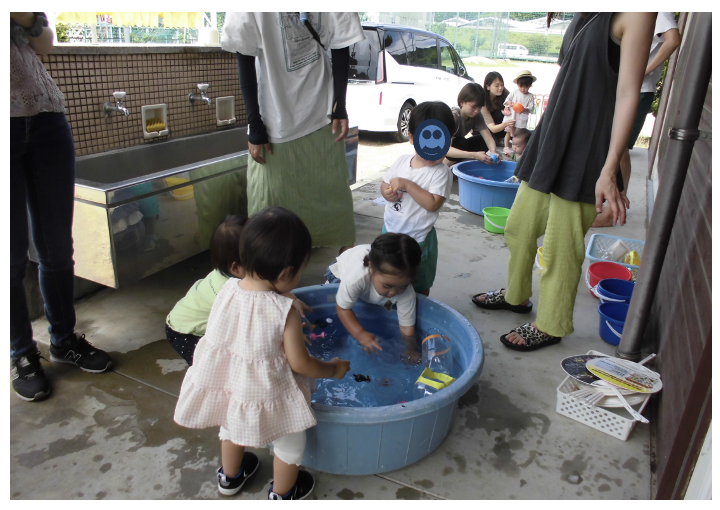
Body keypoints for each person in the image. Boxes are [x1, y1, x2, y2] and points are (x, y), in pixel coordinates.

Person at [471, 12, 656, 351]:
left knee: (560, 246)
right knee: (519, 227)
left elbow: (629, 93)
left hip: (587, 147)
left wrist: (609, 168)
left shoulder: (637, 11)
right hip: (553, 138)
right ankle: (516, 296)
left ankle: (551, 323)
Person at [173, 206, 351, 500]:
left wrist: (285, 294)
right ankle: (283, 493)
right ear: (284, 274)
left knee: (230, 429)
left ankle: (230, 478)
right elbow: (301, 363)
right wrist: (333, 368)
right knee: (290, 445)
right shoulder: (283, 312)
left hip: (232, 385)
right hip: (269, 393)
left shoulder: (227, 290)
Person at [10, 12, 112, 402]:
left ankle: (63, 340)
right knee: (11, 256)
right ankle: (22, 353)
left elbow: (45, 44)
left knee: (57, 247)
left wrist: (28, 18)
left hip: (47, 118)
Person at [220, 13, 365, 251]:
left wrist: (340, 105)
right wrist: (254, 125)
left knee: (334, 203)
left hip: (321, 115)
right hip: (275, 121)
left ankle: (344, 275)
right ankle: (267, 279)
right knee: (267, 217)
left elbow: (341, 45)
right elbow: (243, 57)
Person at [165, 215, 312, 365]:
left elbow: (269, 285)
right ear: (236, 268)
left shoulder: (246, 278)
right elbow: (253, 332)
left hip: (189, 318)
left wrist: (293, 299)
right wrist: (290, 339)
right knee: (216, 366)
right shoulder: (232, 293)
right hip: (186, 333)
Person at [592, 12, 680, 227]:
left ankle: (612, 209)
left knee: (619, 149)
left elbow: (674, 40)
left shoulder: (653, 10)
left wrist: (641, 71)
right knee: (618, 148)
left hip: (638, 89)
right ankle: (615, 202)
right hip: (630, 87)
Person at [379, 102, 455, 297]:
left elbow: (433, 204)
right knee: (388, 276)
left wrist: (408, 186)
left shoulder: (441, 173)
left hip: (418, 240)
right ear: (412, 137)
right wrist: (386, 192)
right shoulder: (402, 162)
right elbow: (384, 184)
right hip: (390, 232)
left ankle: (420, 310)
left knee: (419, 281)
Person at [326, 233, 422, 361]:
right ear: (371, 268)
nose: (394, 292)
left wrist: (411, 349)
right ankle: (347, 250)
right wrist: (360, 334)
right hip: (344, 269)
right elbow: (343, 309)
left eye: (403, 286)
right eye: (387, 285)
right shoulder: (356, 278)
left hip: (372, 263)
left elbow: (406, 327)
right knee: (335, 295)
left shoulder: (407, 293)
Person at [445, 82, 500, 165]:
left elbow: (488, 137)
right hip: (442, 151)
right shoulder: (453, 116)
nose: (477, 111)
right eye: (473, 107)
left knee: (482, 140)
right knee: (461, 142)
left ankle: (461, 162)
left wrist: (493, 152)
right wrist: (474, 155)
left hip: (459, 146)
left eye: (480, 107)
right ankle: (446, 167)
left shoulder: (477, 116)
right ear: (462, 102)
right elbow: (446, 149)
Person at [502, 71, 537, 156]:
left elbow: (532, 108)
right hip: (512, 117)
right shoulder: (514, 92)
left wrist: (524, 108)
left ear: (530, 86)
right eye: (521, 86)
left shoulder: (530, 96)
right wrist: (509, 103)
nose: (523, 89)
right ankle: (506, 147)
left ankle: (518, 149)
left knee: (519, 135)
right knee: (508, 132)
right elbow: (506, 101)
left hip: (521, 119)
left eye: (526, 87)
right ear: (517, 85)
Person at [481, 72, 514, 147]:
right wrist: (506, 123)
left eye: (502, 85)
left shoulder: (505, 94)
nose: (500, 88)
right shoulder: (483, 102)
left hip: (504, 130)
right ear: (488, 86)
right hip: (488, 131)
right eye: (497, 85)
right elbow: (492, 128)